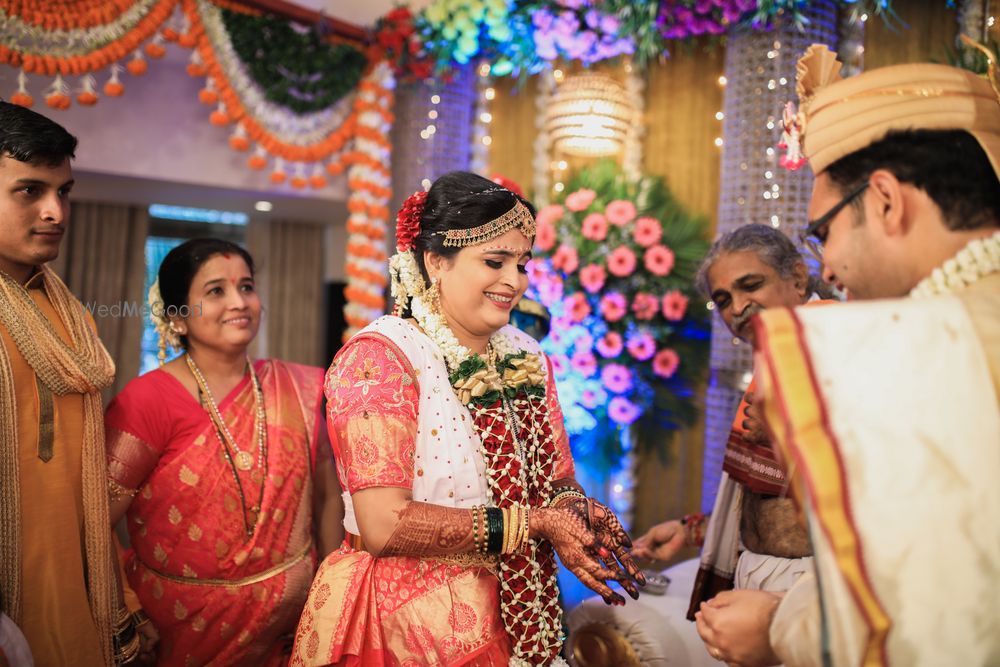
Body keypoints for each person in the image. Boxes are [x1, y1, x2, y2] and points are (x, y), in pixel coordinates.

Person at [694, 44, 1000, 666]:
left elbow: (930, 619)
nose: (826, 264)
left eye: (823, 231)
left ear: (886, 201)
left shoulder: (915, 349)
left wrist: (781, 628)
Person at [290, 172, 645, 666]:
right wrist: (535, 522)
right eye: (494, 261)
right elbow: (383, 525)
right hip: (407, 624)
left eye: (521, 264)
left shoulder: (528, 355)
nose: (514, 281)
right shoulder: (381, 359)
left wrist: (572, 512)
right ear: (436, 261)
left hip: (525, 609)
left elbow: (559, 474)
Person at [104, 238, 345, 666]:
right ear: (178, 319)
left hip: (291, 628)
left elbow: (327, 494)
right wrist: (125, 607)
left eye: (247, 287)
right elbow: (95, 521)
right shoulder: (146, 402)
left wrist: (328, 591)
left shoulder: (296, 389)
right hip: (180, 629)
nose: (240, 302)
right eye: (216, 291)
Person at [0, 101, 143, 666]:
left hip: (77, 590)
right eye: (30, 191)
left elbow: (87, 480)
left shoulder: (72, 317)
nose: (55, 211)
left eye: (64, 191)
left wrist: (123, 595)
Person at [631, 225, 824, 626]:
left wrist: (789, 436)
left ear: (798, 279)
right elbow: (766, 497)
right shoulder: (772, 359)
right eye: (723, 299)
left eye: (750, 285)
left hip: (815, 591)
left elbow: (874, 484)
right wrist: (693, 530)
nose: (738, 307)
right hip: (764, 581)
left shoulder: (835, 345)